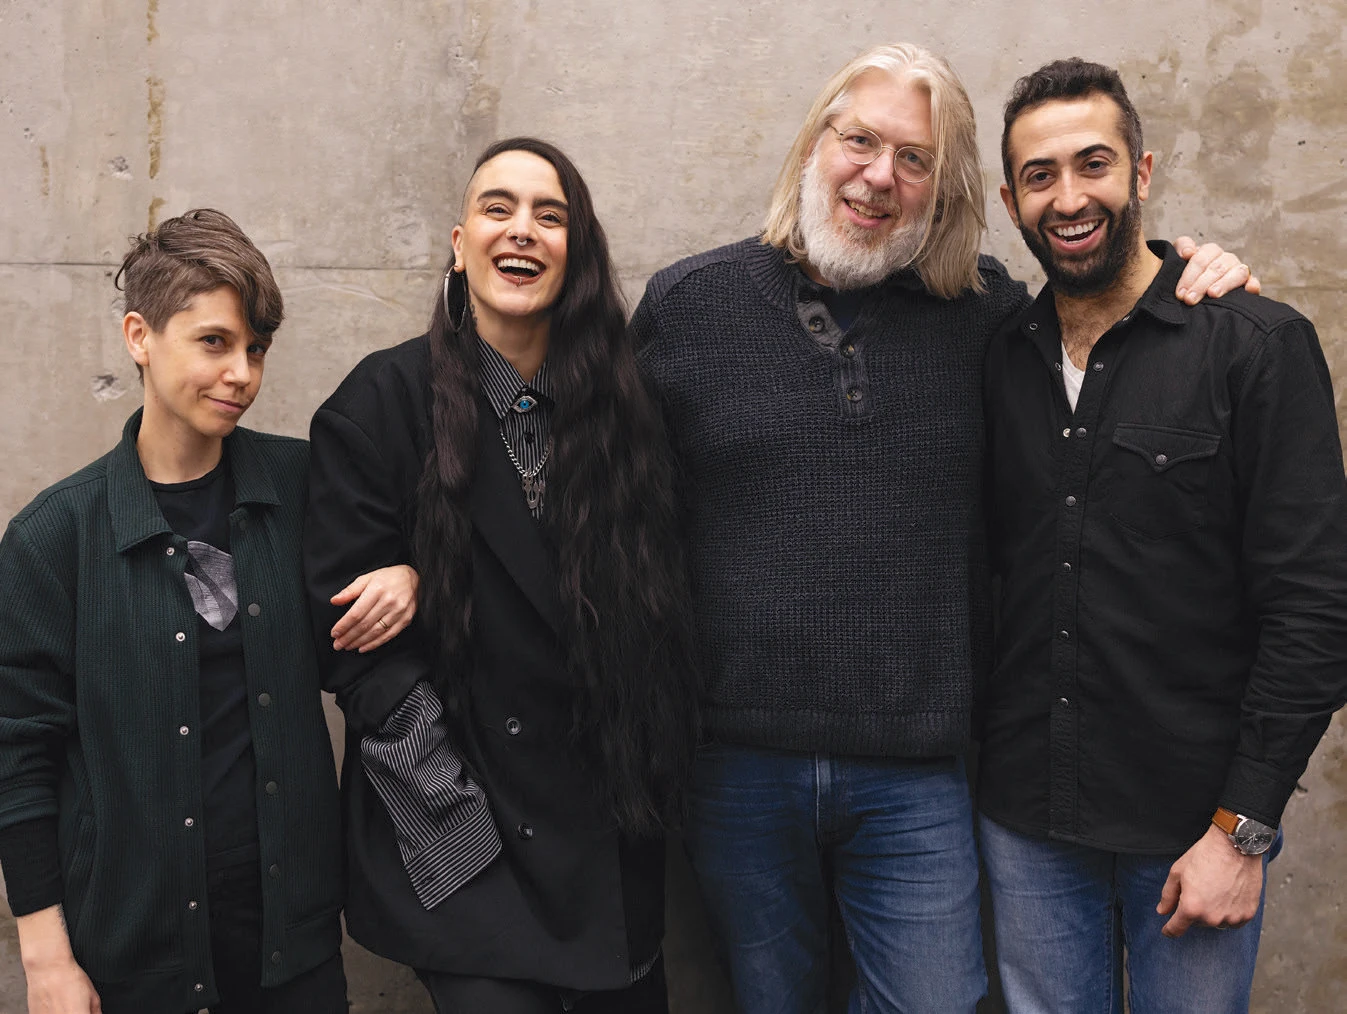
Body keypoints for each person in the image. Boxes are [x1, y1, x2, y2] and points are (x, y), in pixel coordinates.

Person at [630, 42, 1256, 1014]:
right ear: (813, 145)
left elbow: (1109, 305)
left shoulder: (987, 316)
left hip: (919, 773)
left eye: (913, 158)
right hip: (735, 767)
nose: (880, 175)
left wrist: (1191, 265)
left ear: (946, 188)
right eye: (860, 141)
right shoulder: (687, 305)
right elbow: (620, 522)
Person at [978, 58, 1347, 1013]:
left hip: (1193, 828)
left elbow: (1315, 609)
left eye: (1092, 163)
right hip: (1025, 820)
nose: (1069, 197)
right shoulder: (995, 357)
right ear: (1010, 203)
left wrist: (1241, 831)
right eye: (1039, 176)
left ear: (1140, 172)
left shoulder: (1254, 347)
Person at [303, 137, 699, 1014]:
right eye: (498, 208)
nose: (522, 230)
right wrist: (454, 826)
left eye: (549, 216)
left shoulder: (627, 407)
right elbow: (358, 658)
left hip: (603, 834)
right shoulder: (378, 403)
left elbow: (663, 611)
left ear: (575, 251)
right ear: (459, 243)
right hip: (460, 832)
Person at [0, 208, 418, 1014]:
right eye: (215, 342)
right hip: (131, 959)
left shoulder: (304, 486)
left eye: (256, 349)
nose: (241, 374)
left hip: (292, 948)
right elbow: (17, 758)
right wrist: (46, 960)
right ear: (139, 336)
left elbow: (437, 559)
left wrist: (409, 571)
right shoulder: (55, 536)